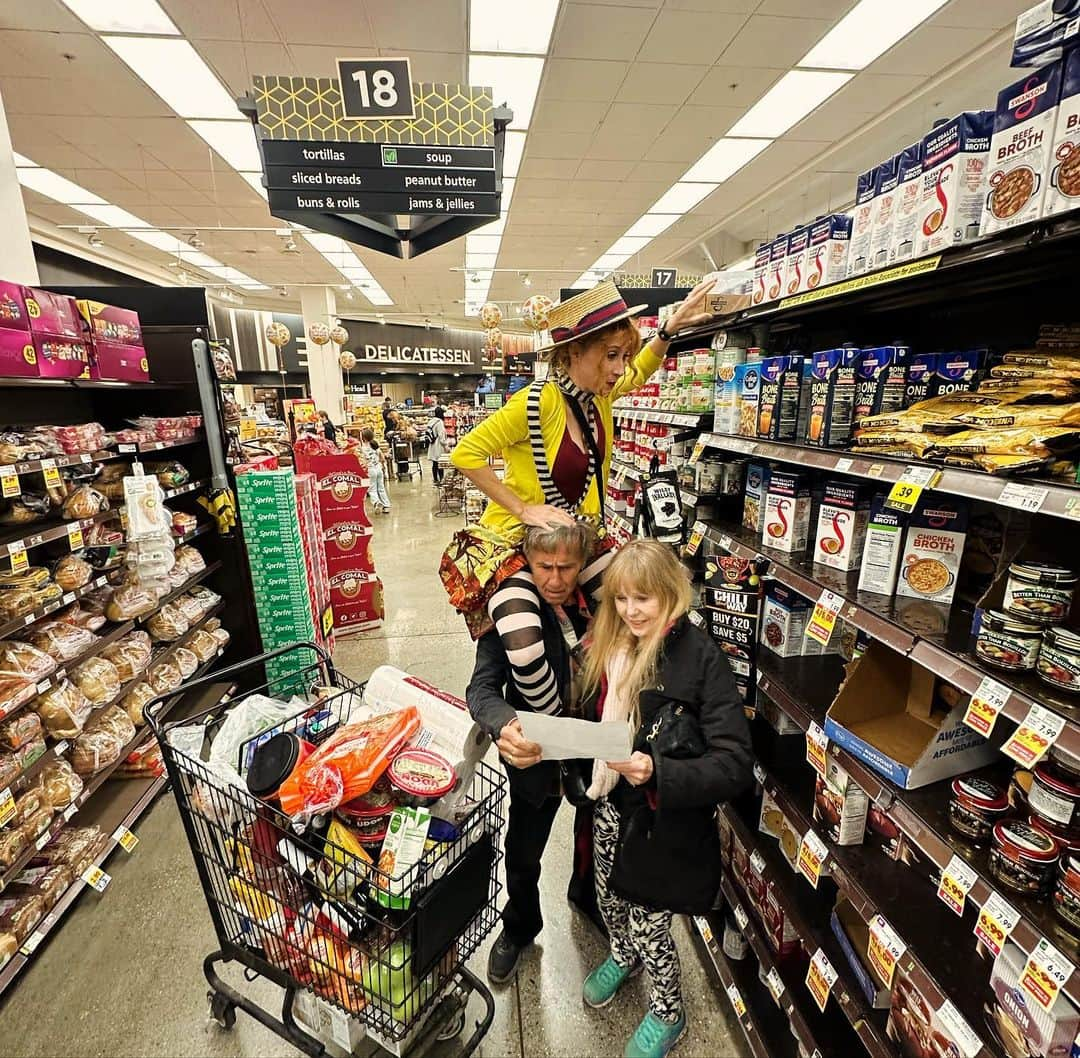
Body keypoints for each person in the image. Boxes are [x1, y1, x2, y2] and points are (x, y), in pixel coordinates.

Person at [444, 278, 716, 716]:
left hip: (578, 537)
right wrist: (522, 508)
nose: (619, 368)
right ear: (572, 353)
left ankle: (615, 707)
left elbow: (638, 374)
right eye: (610, 355)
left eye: (623, 355)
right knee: (525, 645)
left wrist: (666, 333)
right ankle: (555, 733)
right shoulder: (536, 402)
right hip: (514, 544)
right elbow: (465, 453)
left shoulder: (596, 399)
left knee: (643, 602)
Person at [578, 540, 752, 1058]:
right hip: (611, 800)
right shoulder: (611, 644)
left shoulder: (700, 657)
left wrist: (659, 771)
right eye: (622, 599)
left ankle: (667, 1010)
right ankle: (621, 954)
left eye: (644, 599)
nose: (631, 611)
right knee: (608, 893)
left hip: (661, 815)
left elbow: (734, 763)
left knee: (650, 916)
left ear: (671, 595)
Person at [466, 522, 603, 984]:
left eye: (567, 567)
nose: (556, 579)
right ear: (528, 559)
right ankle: (520, 926)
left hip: (592, 749)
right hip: (534, 759)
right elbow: (481, 688)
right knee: (523, 851)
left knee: (596, 835)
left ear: (582, 564)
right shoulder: (513, 613)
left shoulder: (601, 605)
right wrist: (505, 724)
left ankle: (586, 896)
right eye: (545, 566)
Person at [360, 427, 391, 514]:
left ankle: (376, 502)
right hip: (378, 468)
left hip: (370, 470)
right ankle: (386, 506)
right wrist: (383, 465)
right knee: (381, 488)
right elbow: (382, 456)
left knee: (372, 488)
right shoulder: (375, 445)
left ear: (364, 438)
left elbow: (363, 461)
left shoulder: (362, 448)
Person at [428, 407, 448, 485]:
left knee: (434, 463)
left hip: (432, 444)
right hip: (438, 445)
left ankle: (435, 479)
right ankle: (441, 479)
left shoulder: (431, 421)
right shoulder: (439, 422)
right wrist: (445, 445)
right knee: (440, 462)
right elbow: (441, 435)